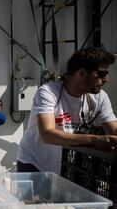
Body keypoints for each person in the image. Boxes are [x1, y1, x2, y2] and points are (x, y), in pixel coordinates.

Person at [17, 46, 117, 174]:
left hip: (66, 166)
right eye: (101, 74)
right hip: (35, 164)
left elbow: (113, 129)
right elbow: (47, 134)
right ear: (81, 73)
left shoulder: (99, 97)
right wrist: (94, 140)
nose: (106, 79)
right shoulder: (48, 92)